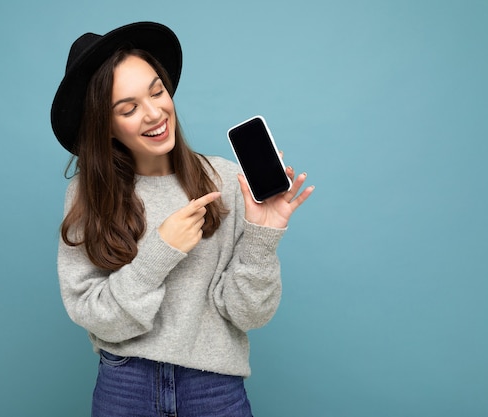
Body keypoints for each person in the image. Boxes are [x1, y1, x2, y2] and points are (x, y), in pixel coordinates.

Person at [50, 21, 314, 417]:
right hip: (125, 386)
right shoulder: (87, 195)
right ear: (105, 124)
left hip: (214, 389)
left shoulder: (224, 179)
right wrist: (161, 250)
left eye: (157, 91)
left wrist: (264, 233)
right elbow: (94, 315)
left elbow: (249, 316)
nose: (155, 113)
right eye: (129, 108)